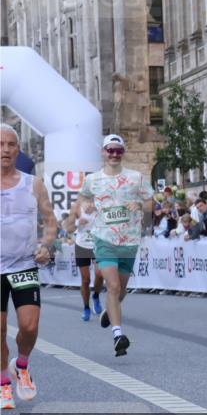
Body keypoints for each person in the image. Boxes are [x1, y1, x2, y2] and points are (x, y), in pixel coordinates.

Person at [77, 134, 154, 357]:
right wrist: (88, 205)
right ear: (103, 152)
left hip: (129, 241)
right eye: (110, 150)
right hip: (103, 239)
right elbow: (83, 197)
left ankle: (110, 312)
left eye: (118, 150)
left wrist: (139, 205)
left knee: (120, 291)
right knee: (112, 286)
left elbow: (150, 200)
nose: (113, 154)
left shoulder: (136, 178)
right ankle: (118, 334)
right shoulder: (92, 180)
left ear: (123, 153)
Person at [1, 124, 57, 409]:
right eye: (0, 144)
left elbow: (50, 222)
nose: (5, 150)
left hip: (24, 265)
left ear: (18, 149)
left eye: (11, 145)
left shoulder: (33, 183)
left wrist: (46, 245)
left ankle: (21, 364)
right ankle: (3, 384)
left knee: (30, 326)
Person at [66, 197, 105, 321]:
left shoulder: (101, 203)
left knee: (100, 274)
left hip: (97, 244)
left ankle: (96, 296)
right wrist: (77, 223)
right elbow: (68, 228)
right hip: (82, 245)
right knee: (86, 279)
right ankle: (86, 307)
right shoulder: (77, 206)